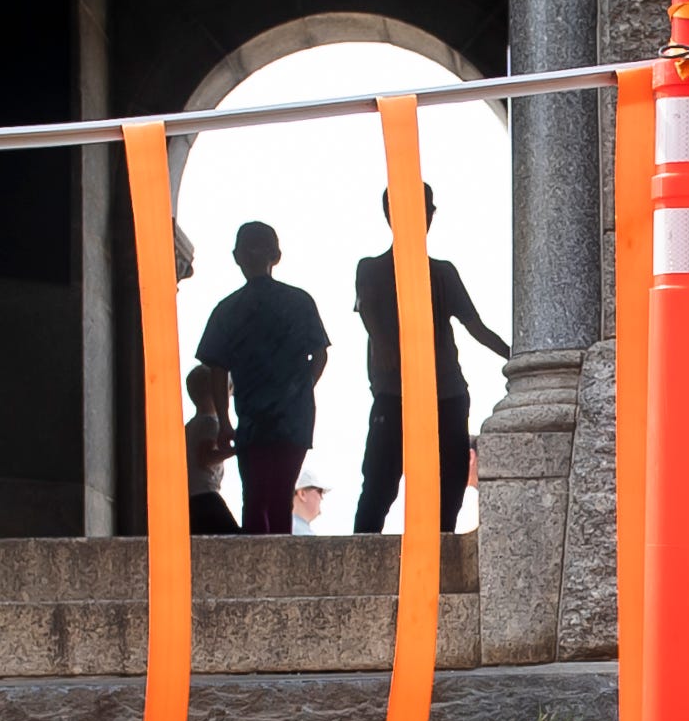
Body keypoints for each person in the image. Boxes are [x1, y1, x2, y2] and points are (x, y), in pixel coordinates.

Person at [352, 187, 508, 534]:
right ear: (389, 214)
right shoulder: (371, 269)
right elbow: (368, 311)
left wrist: (515, 358)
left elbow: (475, 326)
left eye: (424, 210)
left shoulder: (442, 273)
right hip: (396, 393)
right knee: (379, 483)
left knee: (449, 482)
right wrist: (384, 345)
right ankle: (361, 550)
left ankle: (440, 546)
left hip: (445, 392)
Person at [187, 220, 329, 533]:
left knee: (254, 499)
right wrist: (300, 390)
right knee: (280, 496)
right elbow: (320, 355)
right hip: (294, 419)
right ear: (275, 255)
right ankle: (279, 559)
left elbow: (217, 369)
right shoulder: (299, 301)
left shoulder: (227, 310)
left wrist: (225, 421)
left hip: (253, 421)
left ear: (236, 257)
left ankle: (258, 560)